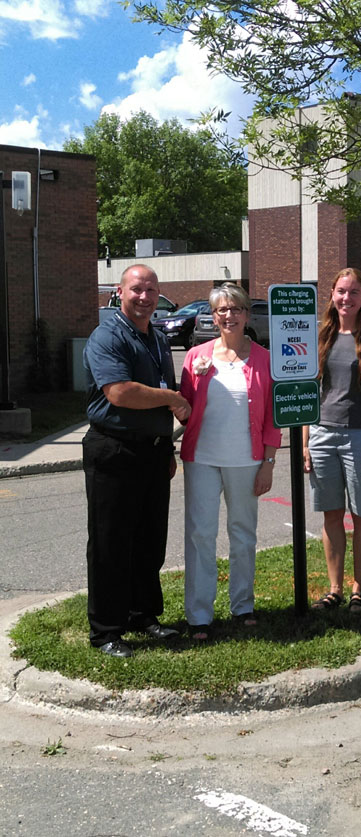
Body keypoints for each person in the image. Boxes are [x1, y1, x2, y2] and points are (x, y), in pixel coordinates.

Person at [83, 264, 191, 658]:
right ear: (120, 292)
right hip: (113, 449)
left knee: (148, 540)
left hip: (152, 450)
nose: (145, 297)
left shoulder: (158, 338)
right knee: (111, 543)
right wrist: (173, 400)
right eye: (136, 290)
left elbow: (161, 386)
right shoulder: (107, 336)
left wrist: (166, 447)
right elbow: (120, 392)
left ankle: (142, 615)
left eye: (151, 290)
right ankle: (106, 631)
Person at [179, 284, 281, 640]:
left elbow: (272, 416)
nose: (229, 315)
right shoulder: (196, 356)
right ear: (213, 316)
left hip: (247, 459)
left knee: (243, 535)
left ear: (246, 315)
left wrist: (268, 461)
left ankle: (243, 606)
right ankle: (199, 615)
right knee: (200, 535)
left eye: (235, 309)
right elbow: (184, 408)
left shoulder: (265, 359)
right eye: (221, 310)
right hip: (202, 458)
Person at [303, 267, 361, 613]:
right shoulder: (320, 334)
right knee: (331, 513)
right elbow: (308, 392)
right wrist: (306, 441)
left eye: (354, 292)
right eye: (341, 291)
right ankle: (335, 588)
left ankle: (359, 589)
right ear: (332, 294)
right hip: (322, 433)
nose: (346, 298)